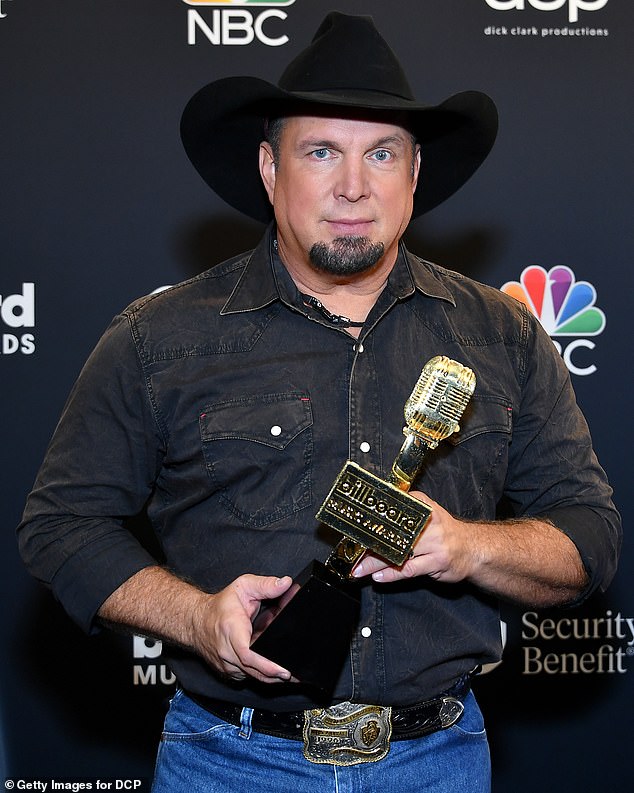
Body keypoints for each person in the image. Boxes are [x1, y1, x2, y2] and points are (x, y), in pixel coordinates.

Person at [18, 11, 620, 793]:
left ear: (415, 175)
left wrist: (467, 546)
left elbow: (589, 537)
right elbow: (62, 527)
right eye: (321, 151)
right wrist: (196, 617)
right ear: (270, 170)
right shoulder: (159, 337)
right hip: (226, 764)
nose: (352, 186)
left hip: (438, 763)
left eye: (381, 153)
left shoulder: (501, 334)